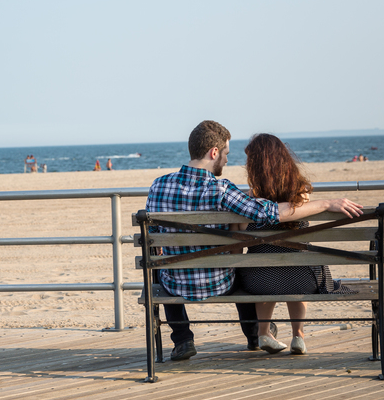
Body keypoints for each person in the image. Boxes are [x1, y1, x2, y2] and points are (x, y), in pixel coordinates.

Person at [145, 120, 363, 361]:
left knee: (158, 265)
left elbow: (154, 232)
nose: (227, 160)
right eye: (226, 154)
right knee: (240, 266)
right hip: (219, 283)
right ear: (214, 152)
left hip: (175, 284)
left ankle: (183, 339)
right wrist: (325, 204)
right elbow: (267, 213)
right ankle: (254, 334)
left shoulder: (158, 185)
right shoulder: (222, 189)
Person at [238, 134, 356, 356]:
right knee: (297, 266)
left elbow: (240, 241)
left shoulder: (250, 201)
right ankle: (298, 337)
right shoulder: (301, 195)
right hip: (303, 280)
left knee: (264, 265)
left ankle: (264, 331)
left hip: (258, 282)